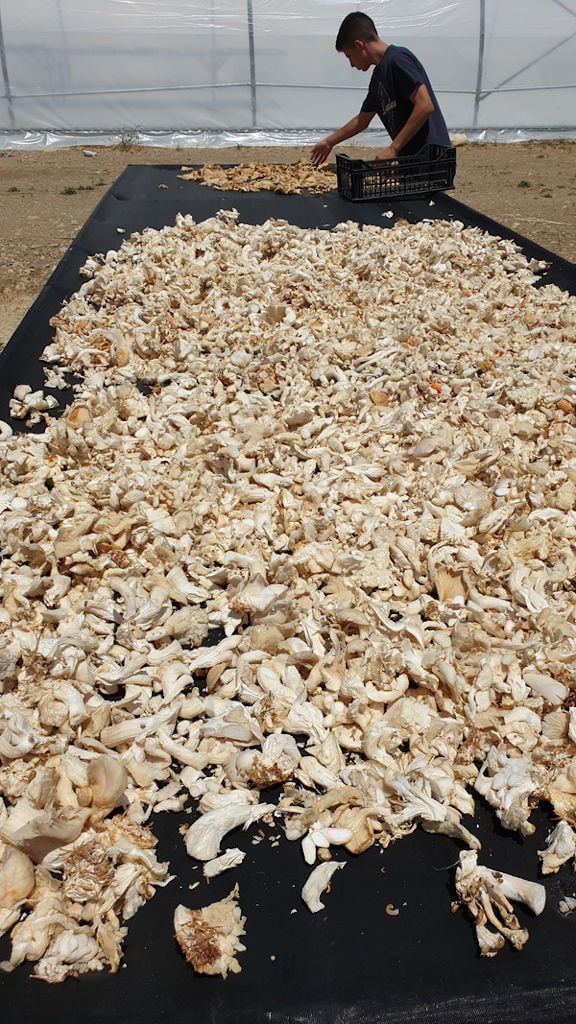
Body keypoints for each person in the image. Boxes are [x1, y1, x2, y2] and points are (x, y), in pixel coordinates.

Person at [310, 11, 450, 165]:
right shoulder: (378, 78)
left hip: (432, 160)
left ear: (359, 45)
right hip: (411, 162)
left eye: (349, 56)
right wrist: (329, 142)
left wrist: (393, 148)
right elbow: (361, 120)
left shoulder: (398, 60)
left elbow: (425, 106)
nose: (351, 64)